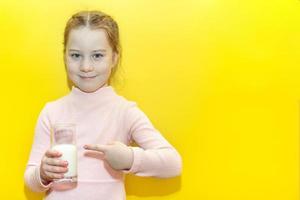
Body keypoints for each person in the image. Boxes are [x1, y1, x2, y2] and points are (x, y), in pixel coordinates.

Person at [24, 10, 182, 200]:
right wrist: (42, 172)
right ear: (64, 55)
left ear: (114, 58)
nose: (86, 66)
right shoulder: (52, 112)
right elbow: (30, 181)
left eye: (97, 56)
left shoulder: (124, 112)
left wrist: (130, 159)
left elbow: (173, 164)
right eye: (75, 55)